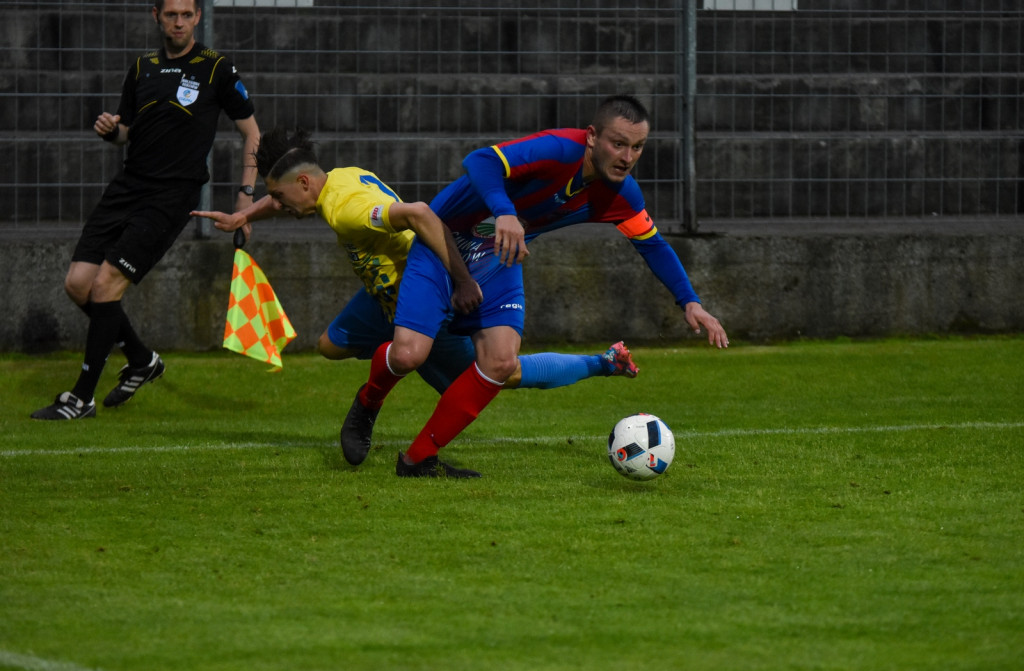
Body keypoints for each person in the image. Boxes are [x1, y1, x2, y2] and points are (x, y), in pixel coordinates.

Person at [191, 127, 640, 462]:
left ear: (305, 184)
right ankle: (396, 357)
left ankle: (603, 362)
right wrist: (244, 215)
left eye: (279, 197)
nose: (279, 205)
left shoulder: (345, 209)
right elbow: (284, 195)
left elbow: (420, 214)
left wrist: (462, 281)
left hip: (423, 295)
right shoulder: (338, 178)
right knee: (329, 346)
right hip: (380, 297)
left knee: (502, 372)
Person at [349, 94, 729, 478]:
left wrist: (690, 301)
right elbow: (480, 160)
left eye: (637, 147)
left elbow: (653, 245)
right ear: (592, 136)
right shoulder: (559, 149)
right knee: (407, 356)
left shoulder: (621, 194)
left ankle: (418, 460)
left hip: (498, 256)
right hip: (443, 244)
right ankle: (369, 401)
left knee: (501, 362)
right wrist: (505, 212)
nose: (627, 157)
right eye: (619, 144)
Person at [31, 0, 260, 420]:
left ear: (198, 17)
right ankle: (141, 360)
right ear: (156, 16)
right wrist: (111, 130)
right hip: (128, 185)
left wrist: (245, 196)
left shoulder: (216, 68)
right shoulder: (142, 67)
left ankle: (81, 399)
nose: (179, 22)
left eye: (186, 15)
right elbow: (127, 132)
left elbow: (253, 133)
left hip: (172, 195)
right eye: (171, 15)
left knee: (105, 285)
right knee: (78, 284)